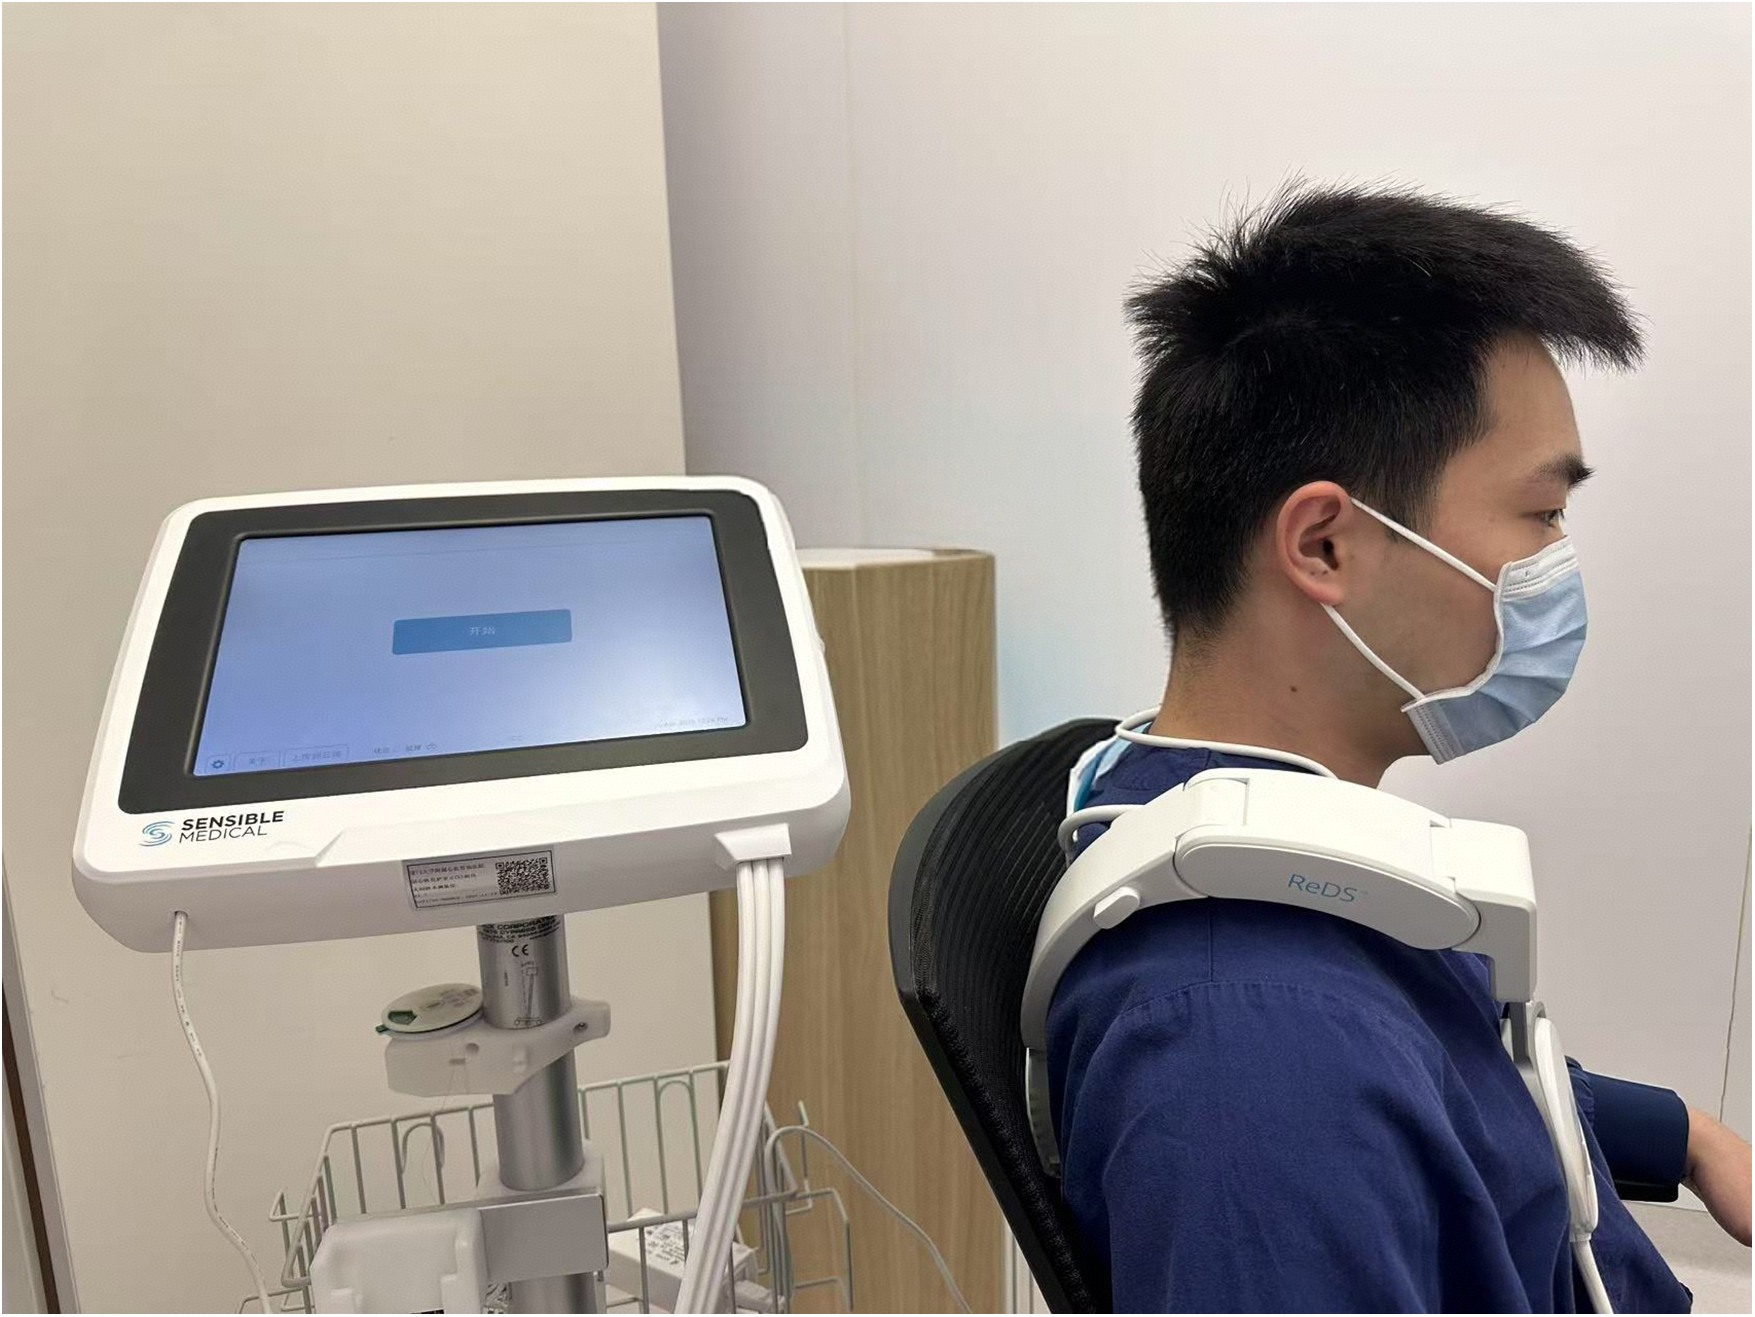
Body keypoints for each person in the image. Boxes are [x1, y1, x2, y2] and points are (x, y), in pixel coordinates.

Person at [1047, 182, 1751, 1313]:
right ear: (1325, 544)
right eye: (1540, 514)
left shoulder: (1249, 826)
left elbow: (1453, 1057)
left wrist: (1687, 1135)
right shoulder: (1255, 1055)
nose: (1557, 561)